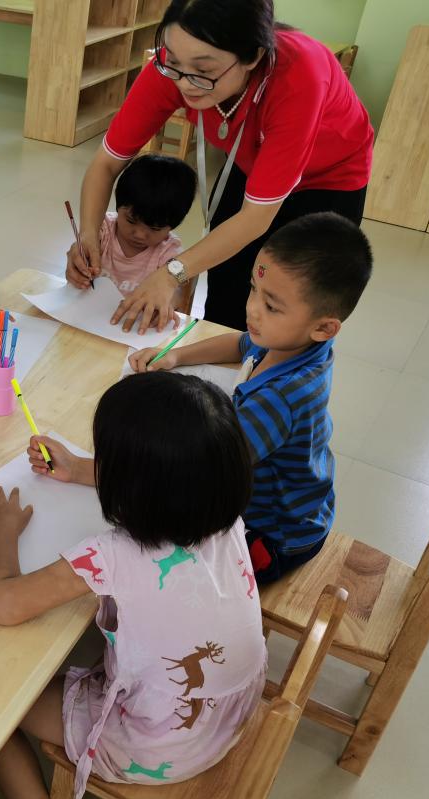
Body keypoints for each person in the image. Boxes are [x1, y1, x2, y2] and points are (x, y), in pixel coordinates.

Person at [0, 372, 266, 799]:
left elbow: (0, 605)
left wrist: (3, 531)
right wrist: (80, 469)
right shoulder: (223, 517)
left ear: (131, 484)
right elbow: (175, 478)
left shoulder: (114, 555)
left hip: (157, 745)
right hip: (227, 715)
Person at [67, 0, 373, 333]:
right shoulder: (175, 68)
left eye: (204, 71)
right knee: (228, 288)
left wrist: (171, 274)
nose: (185, 83)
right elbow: (106, 163)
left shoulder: (300, 76)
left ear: (252, 57)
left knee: (296, 305)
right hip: (252, 162)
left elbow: (256, 217)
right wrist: (88, 236)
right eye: (174, 61)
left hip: (330, 179)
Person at [131, 213, 373, 585]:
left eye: (271, 306)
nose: (252, 309)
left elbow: (205, 471)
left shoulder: (278, 400)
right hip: (302, 505)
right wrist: (175, 356)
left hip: (271, 537)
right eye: (253, 289)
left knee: (158, 567)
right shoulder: (292, 342)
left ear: (324, 327)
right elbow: (241, 343)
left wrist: (91, 469)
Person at [92, 153, 196, 296]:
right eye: (131, 220)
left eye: (155, 228)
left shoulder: (168, 250)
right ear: (118, 204)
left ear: (173, 225)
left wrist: (173, 292)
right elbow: (84, 247)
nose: (140, 235)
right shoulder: (103, 229)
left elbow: (183, 282)